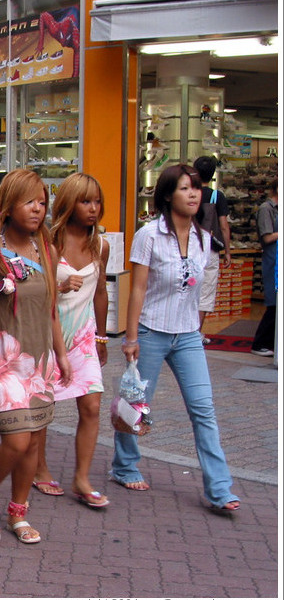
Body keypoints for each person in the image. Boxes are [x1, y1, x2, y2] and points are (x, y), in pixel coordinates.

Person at [112, 164, 240, 515]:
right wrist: (131, 337)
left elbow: (194, 292)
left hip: (187, 336)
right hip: (152, 331)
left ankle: (218, 488)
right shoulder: (149, 234)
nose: (194, 194)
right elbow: (137, 290)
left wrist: (197, 331)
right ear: (168, 194)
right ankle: (124, 466)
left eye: (197, 188)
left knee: (204, 409)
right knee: (136, 405)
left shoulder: (202, 238)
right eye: (185, 188)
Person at [0, 169, 71, 544]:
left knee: (34, 443)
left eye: (43, 202)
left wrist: (61, 355)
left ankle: (18, 512)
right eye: (30, 201)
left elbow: (52, 311)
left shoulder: (48, 252)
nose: (38, 209)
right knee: (17, 442)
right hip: (2, 366)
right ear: (8, 206)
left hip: (38, 364)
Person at [29, 173, 110, 506]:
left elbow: (101, 292)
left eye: (97, 201)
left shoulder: (100, 244)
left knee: (91, 404)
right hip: (48, 334)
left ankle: (82, 477)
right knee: (44, 407)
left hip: (84, 337)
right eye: (85, 201)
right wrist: (59, 288)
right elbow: (33, 291)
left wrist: (103, 337)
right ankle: (39, 469)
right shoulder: (48, 242)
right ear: (69, 203)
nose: (93, 209)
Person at [192, 156, 232, 343]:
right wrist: (228, 251)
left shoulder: (189, 194)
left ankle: (186, 331)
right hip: (209, 248)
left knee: (188, 287)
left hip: (189, 245)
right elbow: (224, 226)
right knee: (206, 291)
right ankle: (196, 333)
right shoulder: (218, 196)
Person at [251, 184, 277, 357]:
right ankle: (260, 342)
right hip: (272, 258)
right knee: (273, 302)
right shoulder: (266, 209)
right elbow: (267, 237)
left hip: (276, 258)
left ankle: (269, 342)